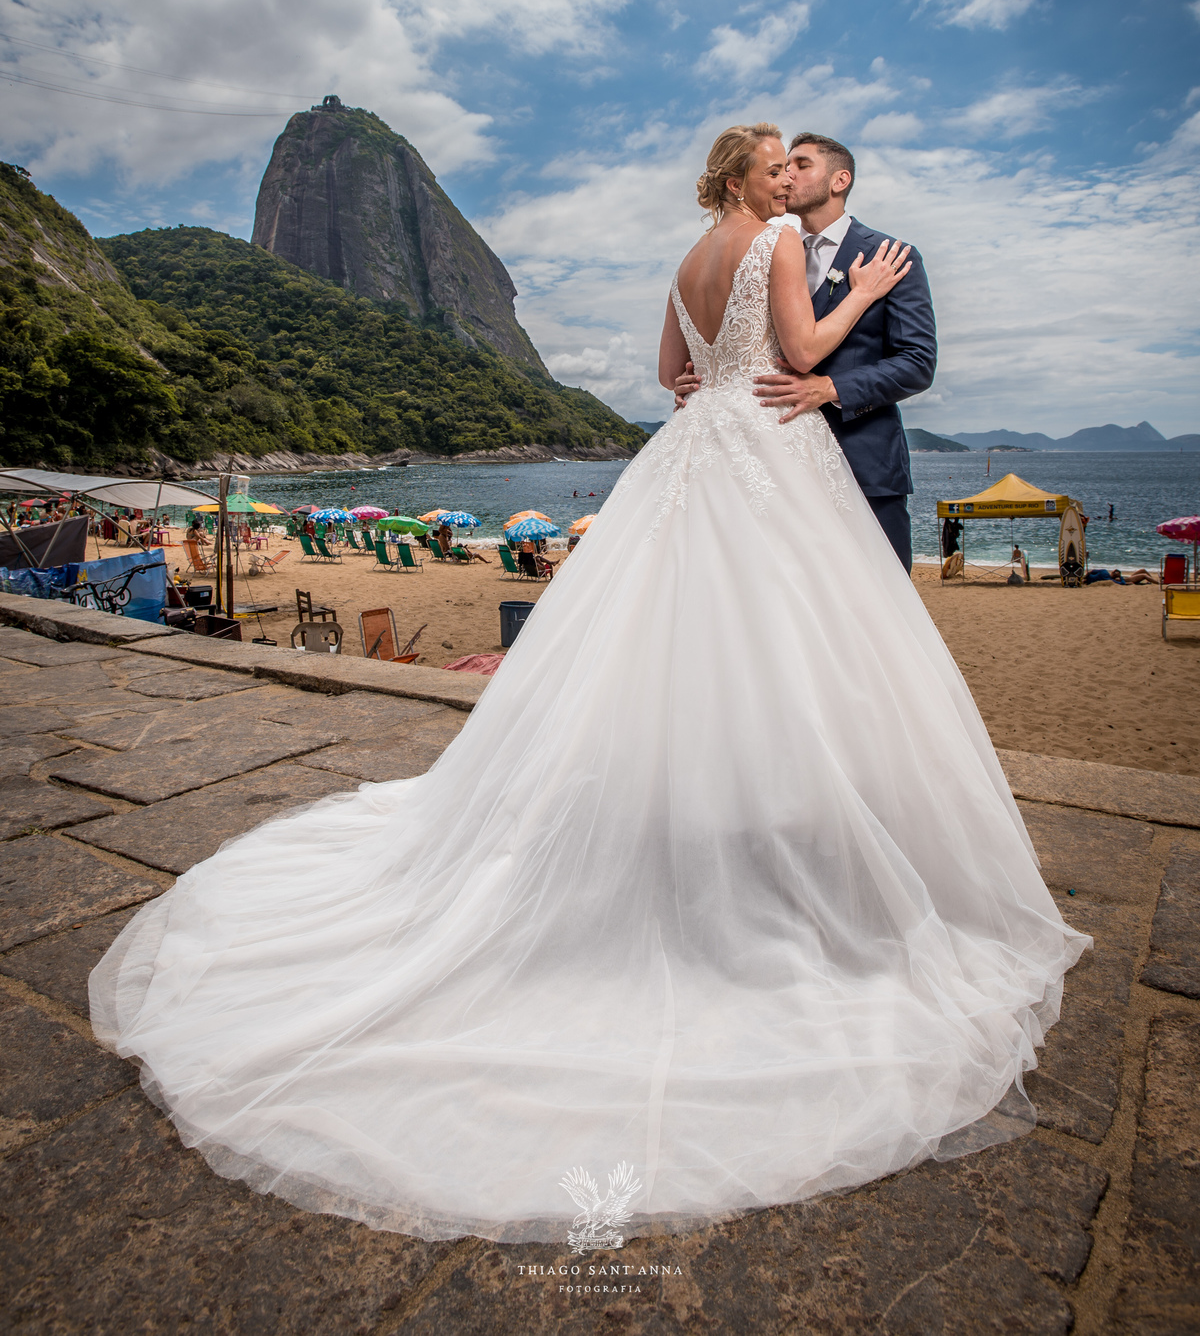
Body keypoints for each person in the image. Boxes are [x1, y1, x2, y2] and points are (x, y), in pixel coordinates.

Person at [91, 121, 1086, 1248]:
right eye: (771, 162)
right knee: (786, 650)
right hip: (769, 446)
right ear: (746, 178)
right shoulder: (773, 246)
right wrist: (860, 301)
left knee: (689, 645)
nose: (782, 173)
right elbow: (805, 361)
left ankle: (726, 816)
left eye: (791, 162)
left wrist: (743, 370)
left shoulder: (685, 261)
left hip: (698, 451)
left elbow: (673, 377)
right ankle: (780, 836)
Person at [674, 131, 936, 571]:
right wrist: (698, 375)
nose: (787, 176)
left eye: (800, 165)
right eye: (779, 168)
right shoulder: (768, 245)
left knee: (879, 613)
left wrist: (831, 388)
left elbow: (918, 362)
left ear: (839, 181)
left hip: (863, 464)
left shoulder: (890, 256)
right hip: (767, 467)